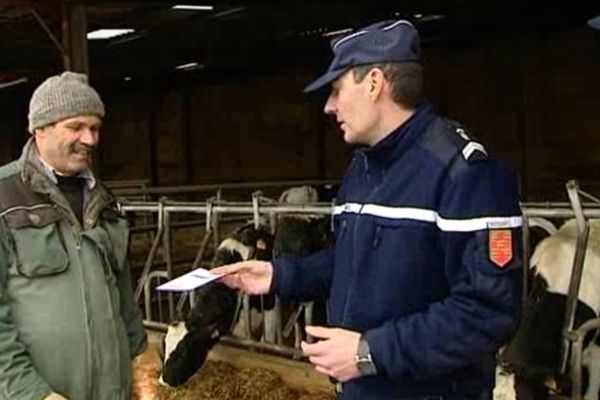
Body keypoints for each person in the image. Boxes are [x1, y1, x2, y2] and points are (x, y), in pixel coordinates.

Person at [212, 19, 523, 400]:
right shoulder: (361, 169)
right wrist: (279, 275)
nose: (328, 106)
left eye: (337, 89)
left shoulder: (463, 174)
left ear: (374, 83)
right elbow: (352, 260)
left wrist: (368, 352)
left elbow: (487, 314)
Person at [0, 72, 153, 400]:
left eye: (95, 128)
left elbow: (122, 294)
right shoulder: (5, 198)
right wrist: (31, 392)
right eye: (76, 127)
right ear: (39, 128)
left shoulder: (103, 201)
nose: (91, 139)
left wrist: (140, 361)